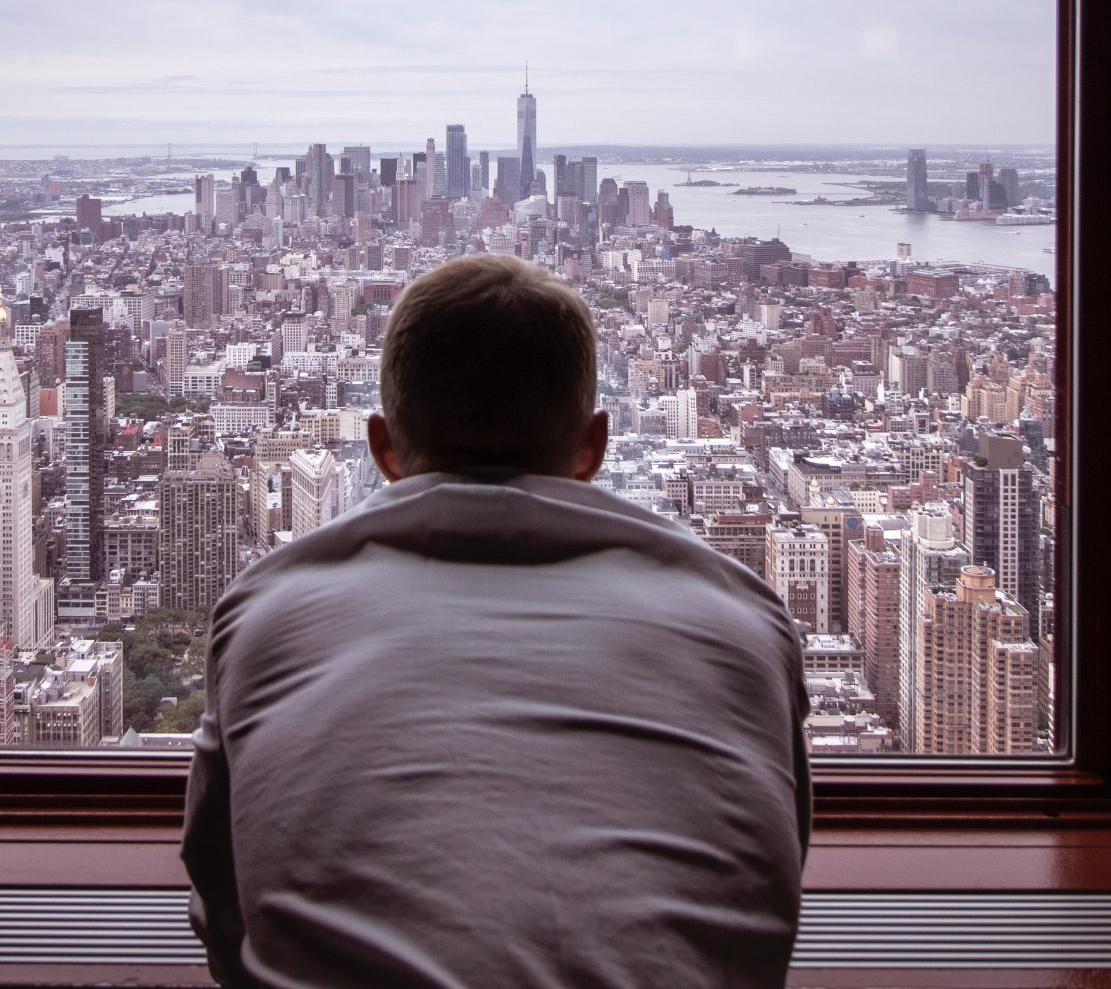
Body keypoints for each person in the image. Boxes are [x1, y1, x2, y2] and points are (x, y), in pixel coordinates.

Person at [182, 254, 810, 988]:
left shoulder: (267, 615)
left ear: (382, 447)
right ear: (593, 447)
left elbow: (221, 902)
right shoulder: (742, 623)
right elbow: (772, 876)